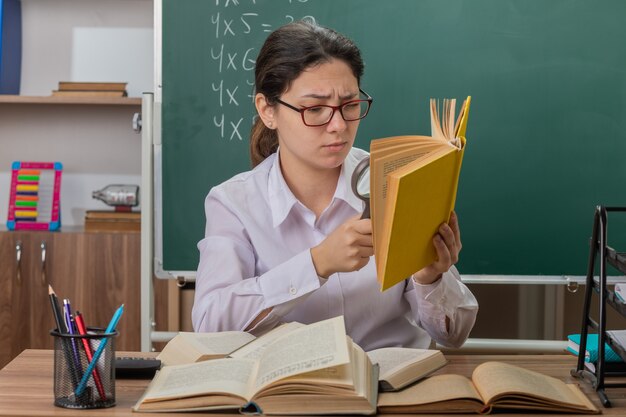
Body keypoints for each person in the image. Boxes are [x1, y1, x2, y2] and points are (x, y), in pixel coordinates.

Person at [192, 20, 478, 351]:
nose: (339, 126)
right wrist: (316, 264)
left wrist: (430, 277)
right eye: (315, 109)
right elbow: (210, 325)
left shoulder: (396, 180)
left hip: (392, 388)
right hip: (291, 392)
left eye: (350, 104)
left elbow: (454, 335)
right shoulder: (234, 202)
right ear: (267, 110)